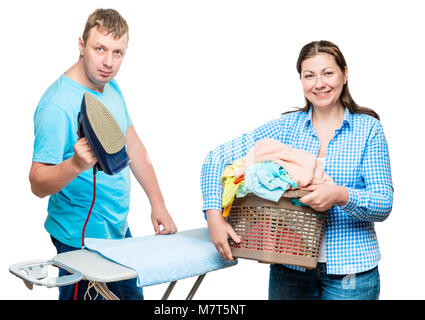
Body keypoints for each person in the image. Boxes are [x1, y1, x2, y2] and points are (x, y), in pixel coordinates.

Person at [200, 40, 393, 300]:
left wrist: (340, 195)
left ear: (345, 74)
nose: (319, 83)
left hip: (352, 273)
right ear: (301, 80)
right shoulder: (285, 129)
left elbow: (383, 202)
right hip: (289, 270)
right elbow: (216, 158)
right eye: (309, 75)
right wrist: (214, 216)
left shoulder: (368, 130)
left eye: (328, 73)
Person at [29, 8, 177, 300]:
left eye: (118, 53)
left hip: (116, 230)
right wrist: (75, 164)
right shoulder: (57, 105)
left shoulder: (109, 87)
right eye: (100, 49)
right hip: (80, 239)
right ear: (82, 46)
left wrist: (157, 203)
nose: (109, 62)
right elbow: (37, 183)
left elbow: (134, 147)